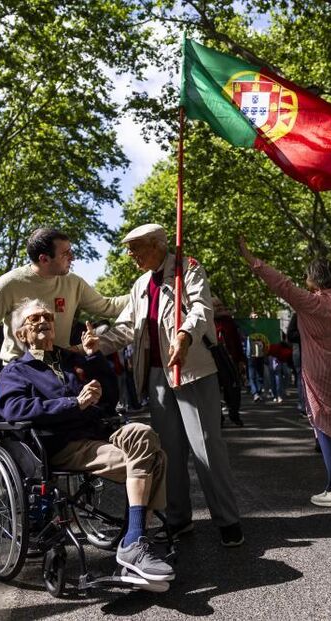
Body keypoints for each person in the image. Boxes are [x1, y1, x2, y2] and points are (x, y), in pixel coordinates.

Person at [84, 224, 244, 547]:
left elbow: (202, 309)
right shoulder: (140, 285)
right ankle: (178, 519)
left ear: (158, 245)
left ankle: (228, 521)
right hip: (157, 378)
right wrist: (97, 343)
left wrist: (184, 335)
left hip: (192, 371)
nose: (131, 256)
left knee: (207, 449)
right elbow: (127, 328)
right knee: (168, 453)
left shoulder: (189, 268)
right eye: (129, 249)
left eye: (137, 248)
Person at [0, 298, 174, 582]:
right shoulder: (16, 370)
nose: (44, 321)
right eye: (34, 319)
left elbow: (111, 398)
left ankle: (133, 540)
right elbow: (13, 409)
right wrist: (73, 403)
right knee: (155, 461)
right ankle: (135, 541)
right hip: (63, 443)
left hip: (99, 431)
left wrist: (94, 356)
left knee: (143, 434)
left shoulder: (72, 359)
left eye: (48, 316)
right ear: (21, 335)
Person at [239, 235, 331, 509]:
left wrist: (251, 259)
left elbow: (279, 282)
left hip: (318, 374)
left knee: (324, 424)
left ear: (313, 279)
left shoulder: (309, 302)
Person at [0, 228, 129, 393]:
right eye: (65, 254)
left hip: (62, 372)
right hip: (21, 376)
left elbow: (109, 307)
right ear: (44, 259)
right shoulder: (8, 285)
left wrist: (144, 290)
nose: (72, 257)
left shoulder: (74, 283)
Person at [213, 296, 245, 426]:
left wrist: (241, 360)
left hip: (230, 361)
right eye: (217, 306)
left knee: (234, 389)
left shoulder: (229, 321)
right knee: (214, 391)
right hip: (213, 362)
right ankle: (218, 418)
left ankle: (234, 414)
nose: (220, 309)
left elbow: (237, 341)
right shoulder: (207, 321)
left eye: (221, 306)